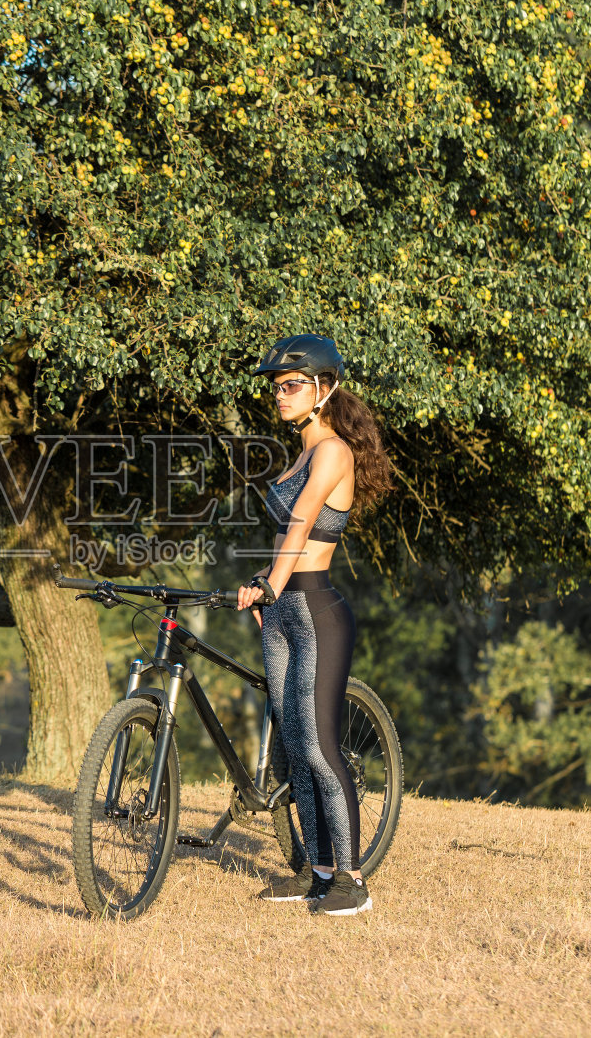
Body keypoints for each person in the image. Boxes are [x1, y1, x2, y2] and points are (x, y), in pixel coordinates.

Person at [236, 334, 394, 916]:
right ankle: (317, 871)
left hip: (316, 613)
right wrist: (262, 582)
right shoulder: (299, 457)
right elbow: (285, 540)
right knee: (294, 751)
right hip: (281, 612)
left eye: (292, 385)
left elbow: (303, 524)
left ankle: (352, 882)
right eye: (277, 387)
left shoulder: (332, 451)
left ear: (324, 389)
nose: (280, 394)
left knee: (322, 748)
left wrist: (275, 583)